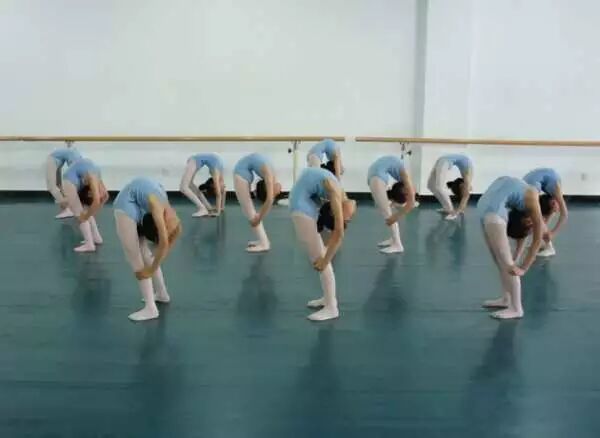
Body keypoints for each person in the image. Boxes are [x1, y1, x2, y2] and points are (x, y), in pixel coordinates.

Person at [289, 167, 356, 321]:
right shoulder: (336, 194)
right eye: (347, 218)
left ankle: (332, 307)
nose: (347, 220)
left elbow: (339, 232)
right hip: (301, 207)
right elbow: (339, 232)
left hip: (301, 207)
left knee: (319, 258)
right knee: (321, 257)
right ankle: (328, 299)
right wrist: (325, 259)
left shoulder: (339, 193)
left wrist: (325, 260)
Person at [114, 177, 182, 322]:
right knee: (137, 254)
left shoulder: (173, 221)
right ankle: (161, 294)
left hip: (137, 199)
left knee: (139, 258)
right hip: (125, 202)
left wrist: (152, 268)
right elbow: (163, 243)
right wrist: (151, 268)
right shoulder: (159, 210)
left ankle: (151, 308)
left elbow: (166, 245)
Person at [477, 176, 544, 319]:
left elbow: (523, 234)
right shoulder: (533, 199)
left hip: (482, 208)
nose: (531, 224)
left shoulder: (519, 197)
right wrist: (523, 268)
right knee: (508, 265)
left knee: (503, 263)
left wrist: (518, 260)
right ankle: (514, 307)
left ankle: (510, 302)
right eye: (529, 225)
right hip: (492, 213)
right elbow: (537, 240)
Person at [233, 153, 282, 252]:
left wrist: (259, 217)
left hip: (241, 172)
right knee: (249, 210)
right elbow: (270, 199)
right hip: (240, 173)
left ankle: (264, 243)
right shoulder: (269, 176)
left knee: (249, 211)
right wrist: (259, 218)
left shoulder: (272, 178)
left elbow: (274, 193)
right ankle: (263, 241)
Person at [367, 155, 416, 254]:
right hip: (376, 176)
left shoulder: (403, 179)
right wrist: (395, 215)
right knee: (386, 211)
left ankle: (397, 244)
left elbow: (411, 203)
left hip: (375, 175)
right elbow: (411, 203)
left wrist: (395, 216)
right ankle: (394, 240)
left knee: (387, 212)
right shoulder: (407, 181)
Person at [62, 158, 108, 252]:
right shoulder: (92, 178)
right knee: (80, 212)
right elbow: (97, 201)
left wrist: (89, 214)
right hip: (68, 180)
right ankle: (94, 240)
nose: (91, 195)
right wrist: (86, 216)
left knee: (84, 213)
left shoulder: (96, 177)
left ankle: (90, 244)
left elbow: (105, 196)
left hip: (79, 175)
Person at [523, 168, 567, 257]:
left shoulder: (554, 189)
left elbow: (564, 214)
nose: (556, 211)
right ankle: (543, 243)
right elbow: (563, 214)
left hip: (532, 181)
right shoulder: (554, 189)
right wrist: (546, 230)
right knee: (537, 217)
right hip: (531, 183)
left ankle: (549, 247)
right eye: (555, 209)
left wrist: (552, 233)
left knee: (538, 219)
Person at [427, 154, 473, 220]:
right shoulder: (468, 175)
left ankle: (449, 209)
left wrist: (461, 209)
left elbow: (465, 196)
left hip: (442, 160)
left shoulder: (466, 174)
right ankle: (451, 211)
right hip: (443, 161)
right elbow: (466, 196)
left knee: (435, 186)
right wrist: (458, 211)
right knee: (432, 186)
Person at [180, 153, 225, 217]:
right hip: (194, 160)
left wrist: (221, 208)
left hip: (195, 160)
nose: (217, 188)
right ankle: (205, 207)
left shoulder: (220, 173)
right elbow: (219, 194)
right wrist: (218, 211)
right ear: (213, 184)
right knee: (185, 187)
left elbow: (223, 191)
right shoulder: (217, 174)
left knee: (186, 186)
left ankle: (204, 208)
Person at [45, 147, 83, 219]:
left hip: (57, 160)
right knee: (54, 186)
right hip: (54, 160)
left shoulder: (76, 157)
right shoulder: (77, 158)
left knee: (53, 186)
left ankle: (68, 209)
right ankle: (67, 206)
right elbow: (73, 174)